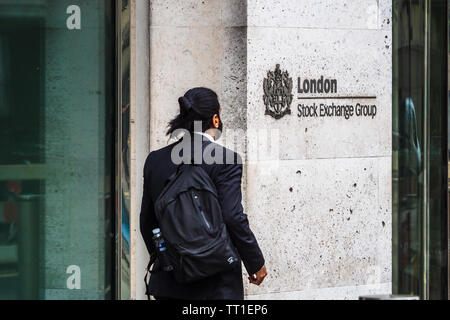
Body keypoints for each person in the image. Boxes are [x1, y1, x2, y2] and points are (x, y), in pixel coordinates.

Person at [140, 87, 266, 300]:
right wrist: (255, 262)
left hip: (171, 283)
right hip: (216, 284)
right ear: (215, 119)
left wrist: (169, 260)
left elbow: (147, 222)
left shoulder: (155, 160)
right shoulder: (226, 160)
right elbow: (232, 218)